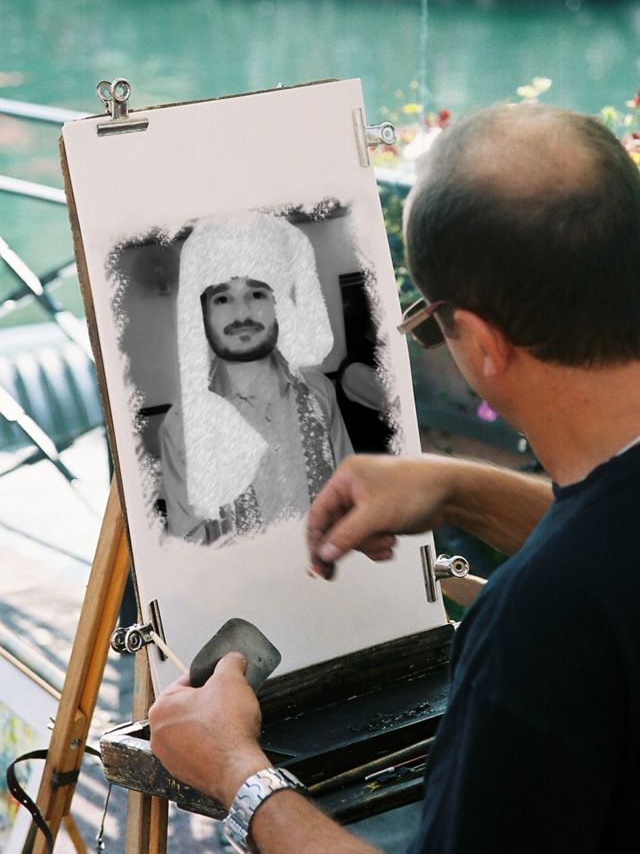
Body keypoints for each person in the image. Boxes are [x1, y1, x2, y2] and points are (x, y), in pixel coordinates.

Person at [148, 102, 640, 852]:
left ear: (480, 343)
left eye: (430, 325)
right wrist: (459, 488)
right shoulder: (583, 582)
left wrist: (238, 775)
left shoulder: (534, 630)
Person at [159, 211, 352, 545]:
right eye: (222, 298)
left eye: (257, 293)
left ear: (279, 306)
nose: (242, 313)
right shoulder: (182, 427)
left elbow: (349, 494)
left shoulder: (319, 391)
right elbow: (191, 545)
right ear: (202, 314)